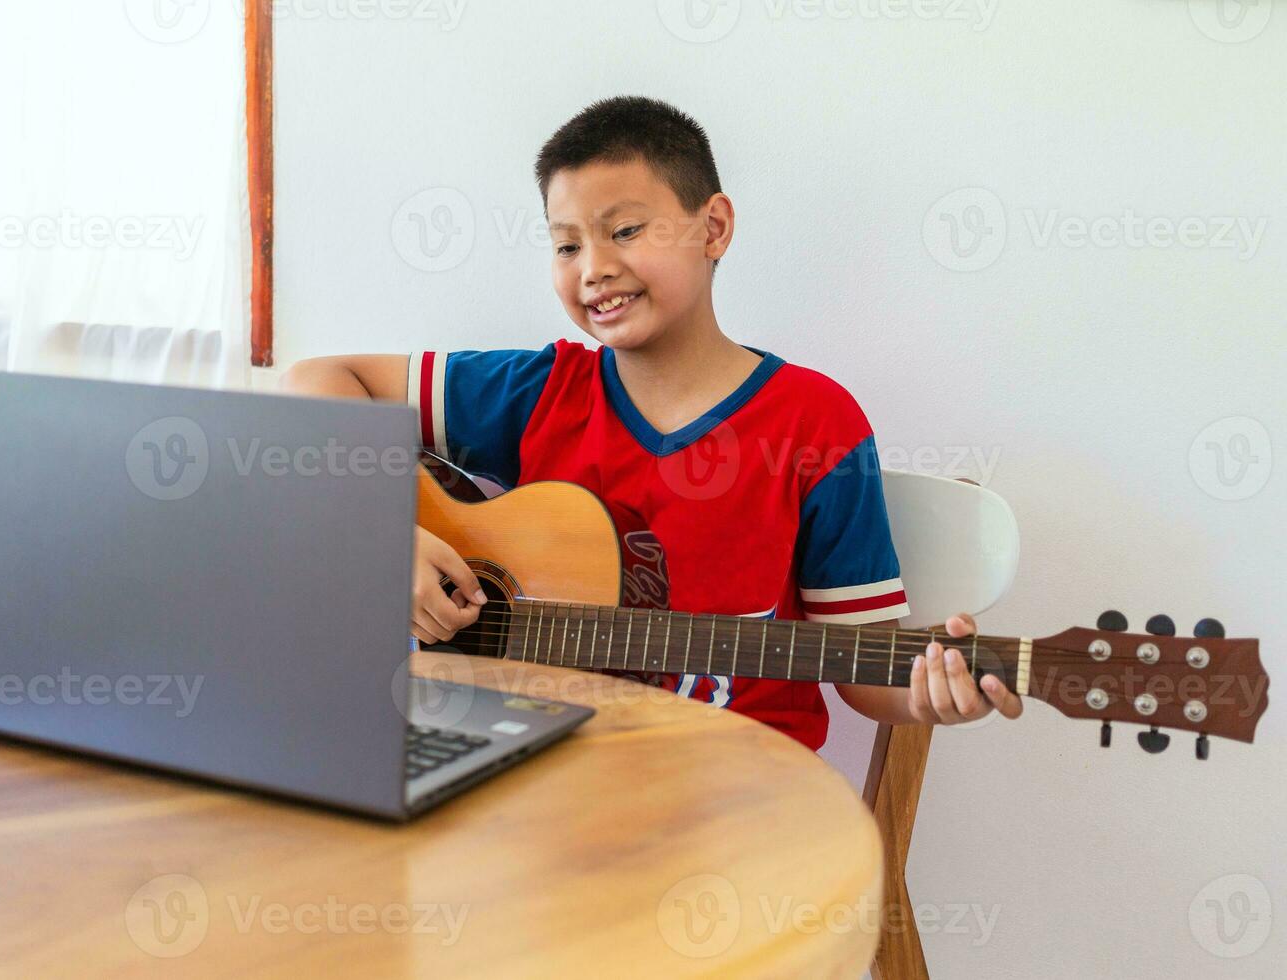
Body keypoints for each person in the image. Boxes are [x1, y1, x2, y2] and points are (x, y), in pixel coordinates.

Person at [281, 96, 1022, 749]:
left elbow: (867, 679)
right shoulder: (541, 390)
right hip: (544, 772)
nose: (592, 268)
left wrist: (933, 694)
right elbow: (318, 378)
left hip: (743, 799)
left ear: (714, 227)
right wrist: (379, 533)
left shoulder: (814, 424)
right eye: (566, 244)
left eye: (625, 230)